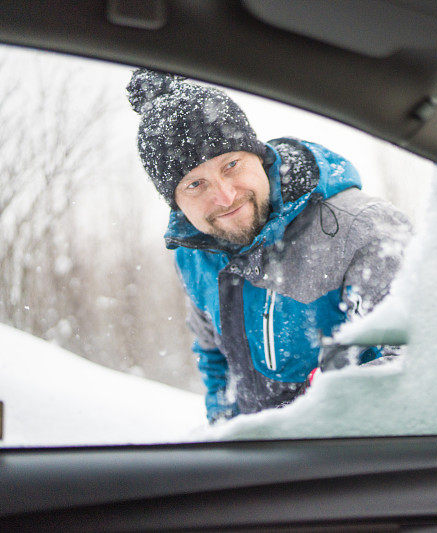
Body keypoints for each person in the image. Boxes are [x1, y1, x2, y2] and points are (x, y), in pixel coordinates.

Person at [127, 69, 411, 423]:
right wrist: (225, 424)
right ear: (176, 203)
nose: (225, 196)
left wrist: (313, 440)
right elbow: (212, 350)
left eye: (231, 165)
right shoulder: (193, 255)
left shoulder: (364, 230)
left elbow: (412, 364)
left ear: (258, 157)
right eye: (195, 185)